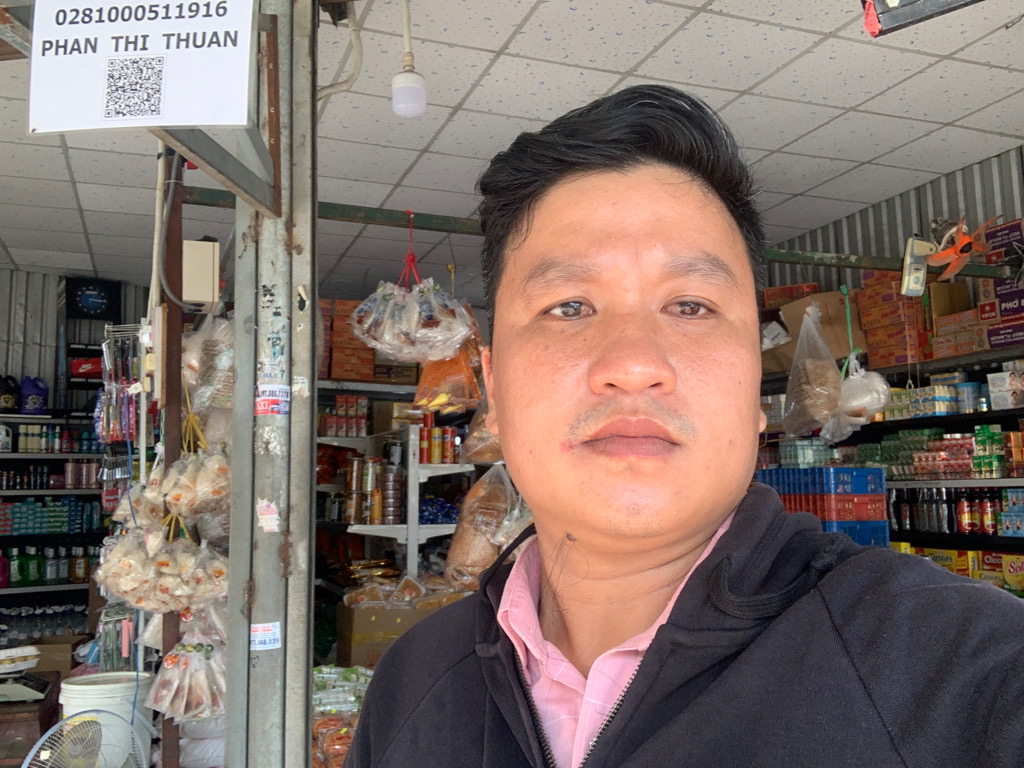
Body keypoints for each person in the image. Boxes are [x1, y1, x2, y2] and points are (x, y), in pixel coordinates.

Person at [344, 85, 1024, 768]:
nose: (634, 365)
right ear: (494, 387)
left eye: (691, 305)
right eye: (569, 306)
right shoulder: (412, 685)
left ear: (756, 386)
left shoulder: (960, 671)